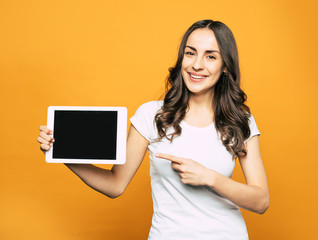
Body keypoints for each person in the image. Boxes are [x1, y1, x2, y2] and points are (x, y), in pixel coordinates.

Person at [37, 19, 269, 240]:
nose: (197, 64)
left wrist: (209, 177)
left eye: (210, 56)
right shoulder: (152, 115)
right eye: (190, 53)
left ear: (225, 66)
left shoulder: (241, 120)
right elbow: (115, 184)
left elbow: (261, 200)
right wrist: (62, 153)